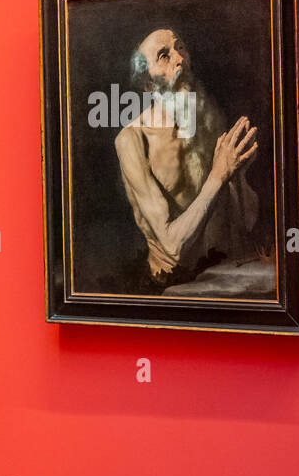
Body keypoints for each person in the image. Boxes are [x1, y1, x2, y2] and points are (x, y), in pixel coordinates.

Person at [113, 27, 265, 292]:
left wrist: (237, 176)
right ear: (149, 85)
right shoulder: (132, 140)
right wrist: (219, 175)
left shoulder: (208, 120)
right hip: (172, 283)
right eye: (164, 55)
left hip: (220, 272)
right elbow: (173, 248)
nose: (180, 58)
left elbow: (245, 222)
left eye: (180, 47)